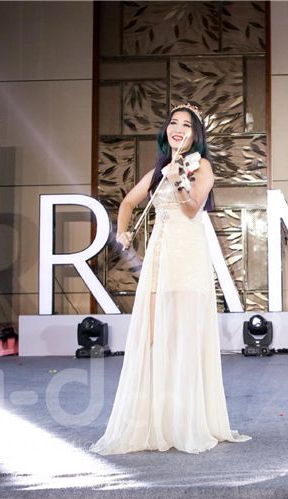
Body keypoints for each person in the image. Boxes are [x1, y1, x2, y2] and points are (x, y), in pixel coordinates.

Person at [91, 103, 250, 454]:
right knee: (153, 335)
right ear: (166, 130)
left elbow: (192, 208)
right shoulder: (159, 170)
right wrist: (123, 231)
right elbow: (128, 203)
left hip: (189, 258)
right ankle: (154, 420)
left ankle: (185, 421)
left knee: (183, 335)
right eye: (173, 123)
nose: (178, 129)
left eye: (186, 125)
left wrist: (179, 178)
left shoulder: (201, 166)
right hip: (160, 258)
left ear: (196, 135)